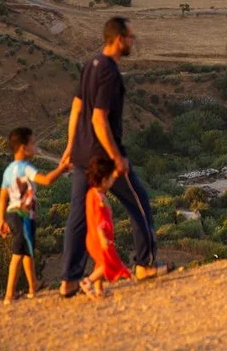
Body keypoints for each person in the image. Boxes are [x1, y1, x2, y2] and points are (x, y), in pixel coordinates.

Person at [60, 17, 165, 298]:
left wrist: (71, 146)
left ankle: (69, 280)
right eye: (131, 36)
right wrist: (116, 157)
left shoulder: (90, 65)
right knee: (138, 203)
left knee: (78, 217)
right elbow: (97, 119)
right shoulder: (109, 72)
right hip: (102, 158)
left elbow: (76, 108)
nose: (133, 41)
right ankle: (144, 265)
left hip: (83, 153)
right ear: (118, 39)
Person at [0, 127, 69, 304]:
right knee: (18, 250)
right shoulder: (26, 168)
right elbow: (46, 180)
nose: (35, 147)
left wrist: (1, 220)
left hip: (16, 214)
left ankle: (32, 288)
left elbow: (2, 198)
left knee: (27, 250)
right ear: (23, 147)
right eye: (33, 143)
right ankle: (9, 295)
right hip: (21, 214)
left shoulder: (9, 170)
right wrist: (62, 168)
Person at [80, 156, 132, 299]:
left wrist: (115, 170)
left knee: (100, 263)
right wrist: (103, 239)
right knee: (106, 264)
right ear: (104, 181)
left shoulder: (92, 193)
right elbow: (100, 222)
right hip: (99, 239)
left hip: (91, 238)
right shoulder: (100, 200)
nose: (112, 181)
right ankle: (87, 282)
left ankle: (99, 291)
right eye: (111, 178)